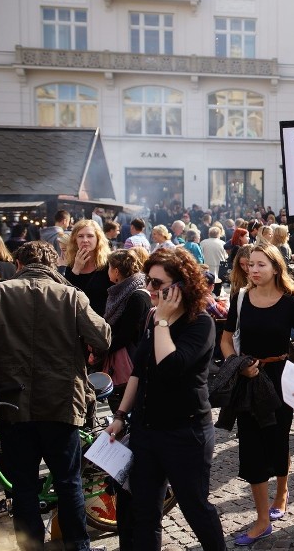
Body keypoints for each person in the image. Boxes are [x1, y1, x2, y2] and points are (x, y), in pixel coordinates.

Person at [0, 241, 111, 551]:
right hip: (61, 403)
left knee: (24, 486)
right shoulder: (70, 295)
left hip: (12, 404)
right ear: (52, 266)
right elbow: (103, 337)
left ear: (18, 264)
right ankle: (78, 546)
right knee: (68, 483)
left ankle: (31, 547)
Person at [105, 248, 227, 550]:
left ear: (182, 285)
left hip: (185, 433)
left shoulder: (200, 323)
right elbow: (139, 372)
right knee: (144, 512)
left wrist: (161, 321)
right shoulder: (154, 320)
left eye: (158, 284)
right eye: (150, 281)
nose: (151, 289)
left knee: (195, 508)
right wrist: (120, 416)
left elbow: (170, 366)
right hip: (147, 431)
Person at [219, 243, 294, 545]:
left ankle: (283, 490)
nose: (254, 269)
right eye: (250, 264)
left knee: (277, 441)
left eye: (261, 264)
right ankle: (262, 520)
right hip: (248, 379)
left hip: (279, 379)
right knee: (251, 447)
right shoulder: (239, 298)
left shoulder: (291, 303)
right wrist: (237, 365)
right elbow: (225, 341)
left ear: (276, 267)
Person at [104, 249, 152, 410]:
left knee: (124, 407)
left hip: (130, 361)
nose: (107, 272)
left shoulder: (136, 295)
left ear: (116, 271)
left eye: (108, 268)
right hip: (129, 358)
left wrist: (101, 351)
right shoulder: (124, 291)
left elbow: (126, 334)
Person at [65, 219, 114, 316]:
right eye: (80, 236)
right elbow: (67, 297)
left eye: (90, 236)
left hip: (102, 322)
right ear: (75, 240)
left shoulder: (109, 264)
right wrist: (76, 269)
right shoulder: (71, 266)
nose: (85, 240)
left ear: (98, 239)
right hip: (77, 322)